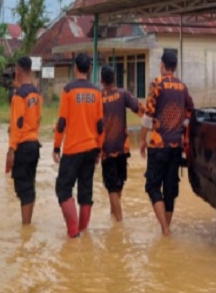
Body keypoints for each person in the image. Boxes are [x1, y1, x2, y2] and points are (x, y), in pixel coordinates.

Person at [140, 50, 194, 236]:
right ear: (176, 67)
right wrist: (182, 131)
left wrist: (141, 139)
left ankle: (164, 229)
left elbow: (148, 115)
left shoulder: (157, 84)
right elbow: (190, 113)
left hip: (158, 145)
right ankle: (166, 229)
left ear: (162, 65)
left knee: (152, 186)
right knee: (170, 189)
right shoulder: (183, 87)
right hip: (175, 147)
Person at [53, 53, 104, 238]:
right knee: (86, 192)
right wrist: (99, 149)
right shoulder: (96, 92)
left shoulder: (68, 90)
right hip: (91, 149)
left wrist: (56, 147)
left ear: (75, 68)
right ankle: (83, 231)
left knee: (63, 189)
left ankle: (73, 233)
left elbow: (61, 122)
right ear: (89, 69)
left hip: (73, 149)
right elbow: (100, 125)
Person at [99, 65, 143, 221]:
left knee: (112, 187)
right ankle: (114, 213)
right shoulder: (123, 94)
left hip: (106, 149)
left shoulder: (99, 97)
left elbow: (94, 123)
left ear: (101, 80)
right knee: (119, 183)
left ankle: (118, 222)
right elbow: (139, 109)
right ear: (115, 79)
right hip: (122, 148)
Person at [5, 56, 42, 225]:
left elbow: (17, 124)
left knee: (23, 188)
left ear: (18, 71)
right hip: (35, 144)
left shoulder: (19, 96)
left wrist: (11, 150)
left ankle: (26, 226)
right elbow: (38, 118)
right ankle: (28, 224)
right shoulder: (36, 93)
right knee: (30, 185)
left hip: (23, 145)